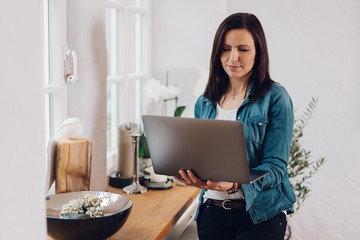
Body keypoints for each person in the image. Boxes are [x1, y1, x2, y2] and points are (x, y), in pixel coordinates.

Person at [173, 13, 296, 240]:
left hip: (259, 217)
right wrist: (192, 174)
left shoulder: (276, 97)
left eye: (243, 49)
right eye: (226, 48)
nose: (233, 57)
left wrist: (234, 185)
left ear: (258, 52)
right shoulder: (205, 102)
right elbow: (203, 157)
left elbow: (277, 167)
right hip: (211, 215)